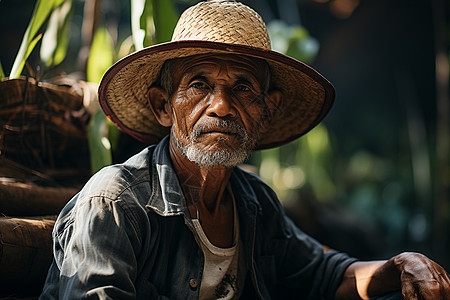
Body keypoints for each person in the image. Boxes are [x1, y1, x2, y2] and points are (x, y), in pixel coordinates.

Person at [40, 1, 450, 299]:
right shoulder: (115, 203)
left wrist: (399, 266)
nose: (221, 105)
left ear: (265, 111)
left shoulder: (254, 203)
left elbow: (322, 274)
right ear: (164, 106)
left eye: (242, 88)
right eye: (199, 85)